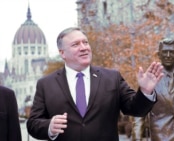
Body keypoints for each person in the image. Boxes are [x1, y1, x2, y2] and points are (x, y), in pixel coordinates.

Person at [26, 27, 164, 141]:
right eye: (75, 44)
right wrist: (49, 127)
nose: (83, 47)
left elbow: (135, 109)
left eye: (85, 43)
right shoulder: (46, 84)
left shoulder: (112, 78)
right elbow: (33, 124)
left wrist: (145, 92)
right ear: (62, 53)